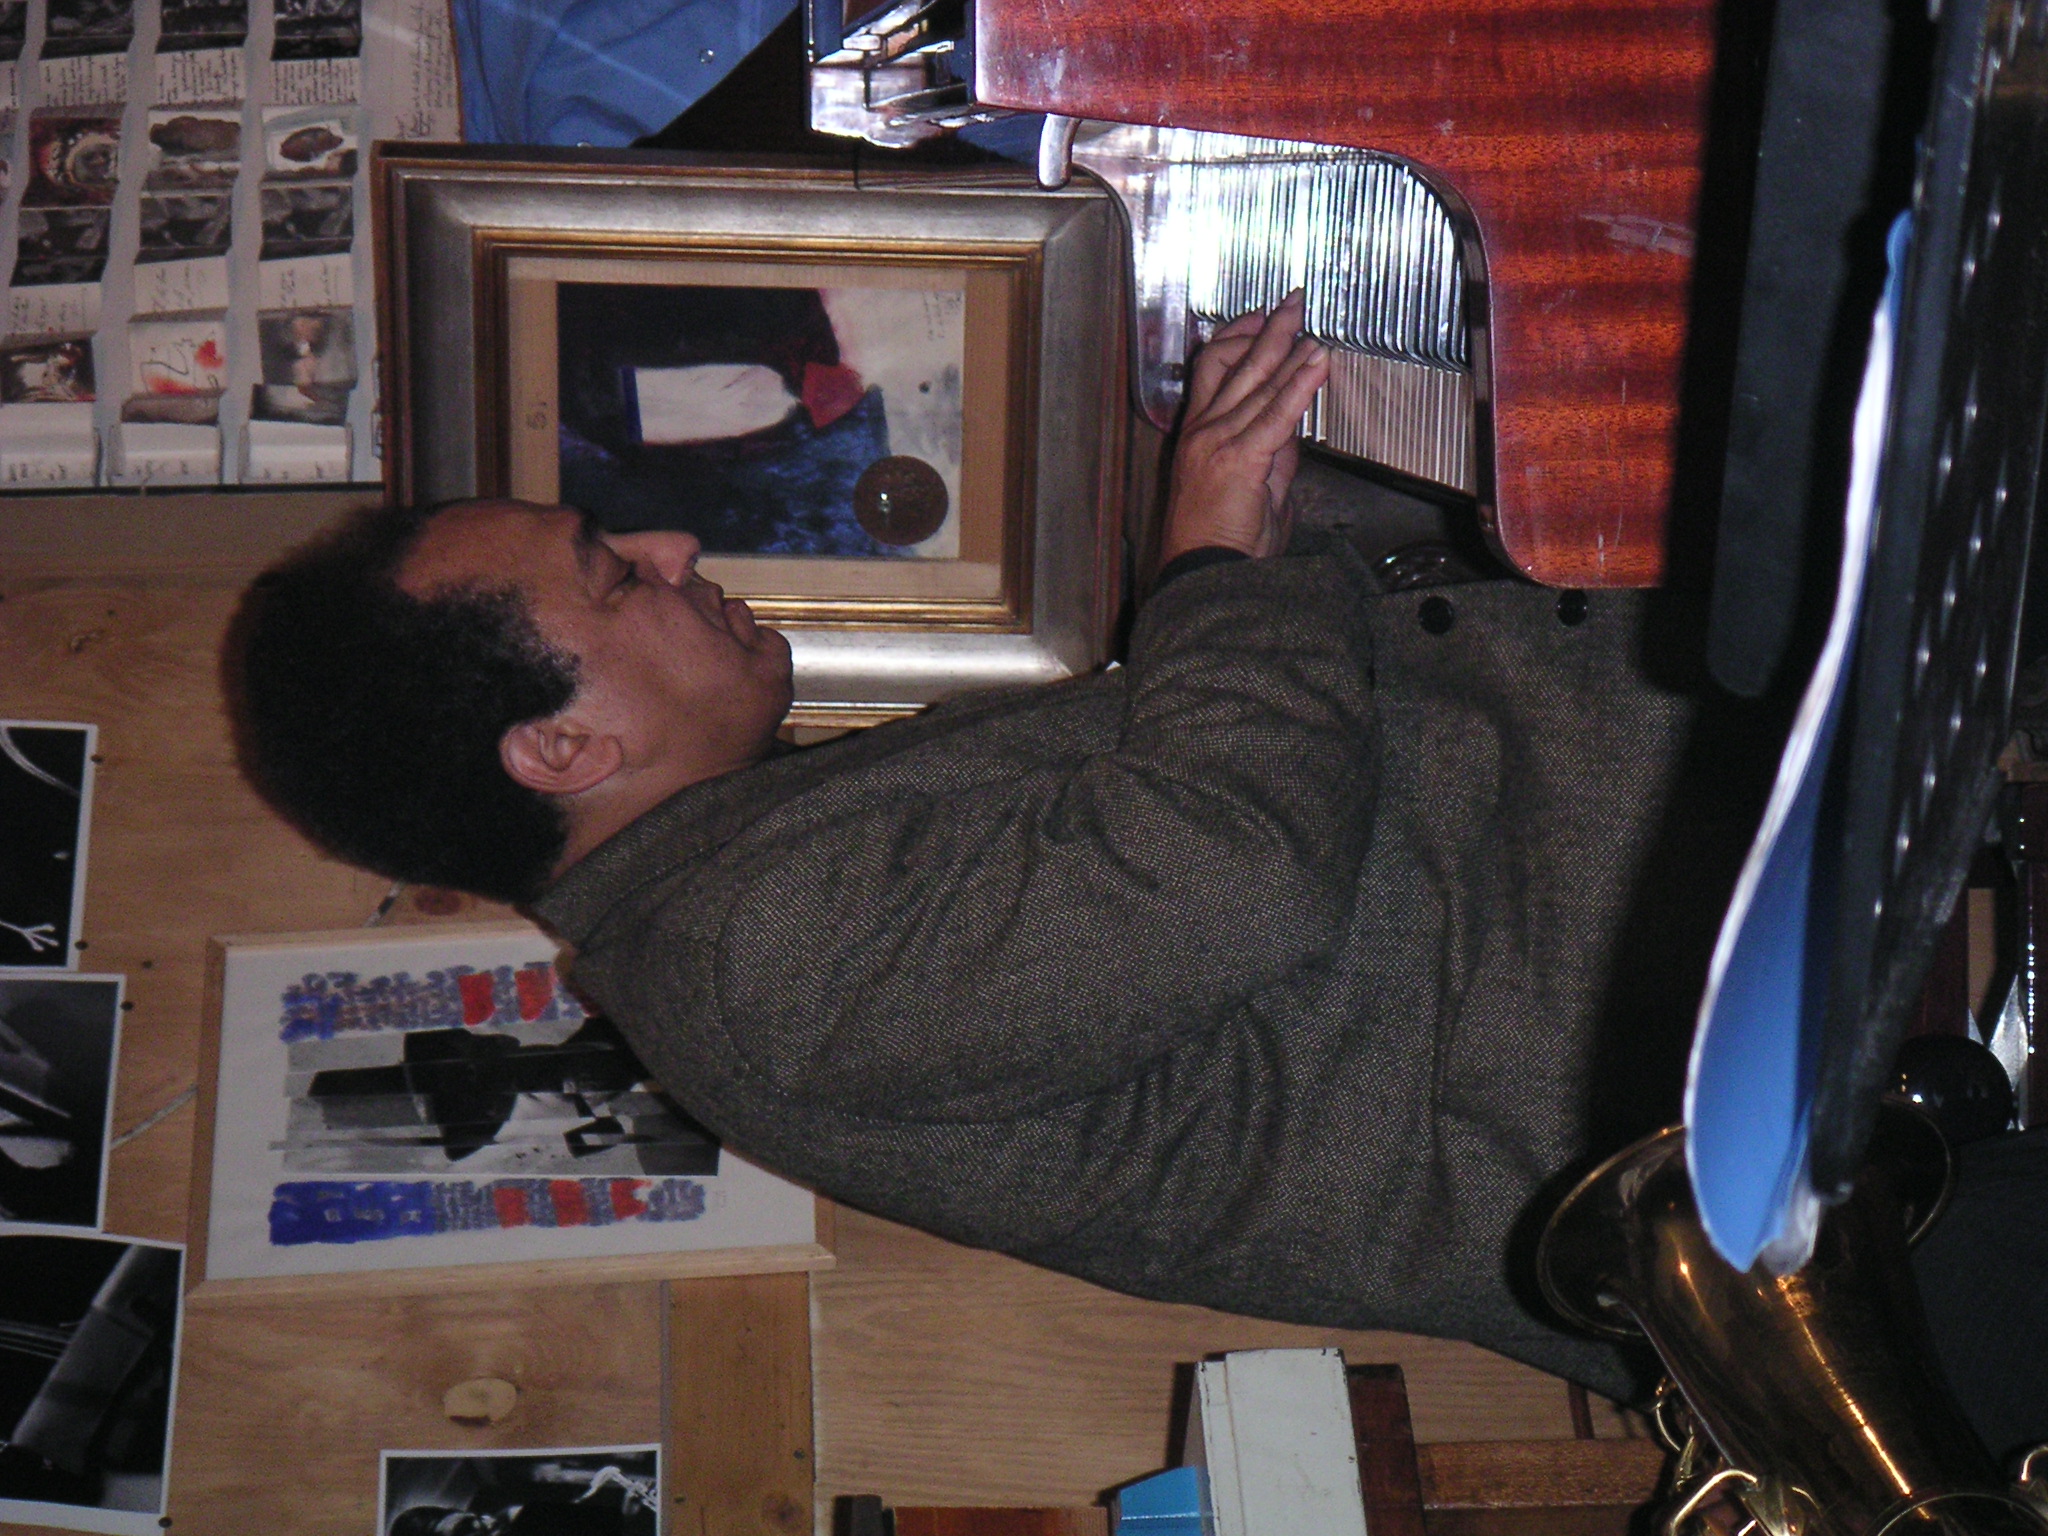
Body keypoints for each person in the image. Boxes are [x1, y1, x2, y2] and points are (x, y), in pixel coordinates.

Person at [233, 296, 1738, 1393]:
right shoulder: (753, 968)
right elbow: (1228, 869)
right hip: (1711, 1067)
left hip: (1681, 953)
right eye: (611, 576)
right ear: (561, 751)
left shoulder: (738, 893)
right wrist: (1211, 560)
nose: (671, 546)